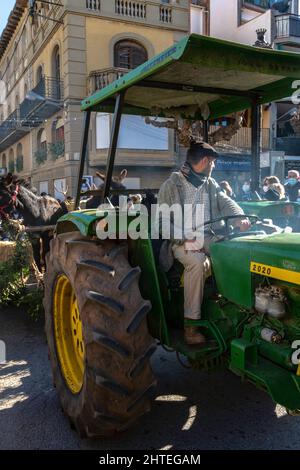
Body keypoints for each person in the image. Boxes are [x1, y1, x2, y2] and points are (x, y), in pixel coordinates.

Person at [157, 141, 250, 346]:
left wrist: (239, 217)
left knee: (238, 252)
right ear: (206, 161)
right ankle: (191, 325)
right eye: (214, 163)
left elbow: (226, 202)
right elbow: (162, 223)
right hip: (181, 239)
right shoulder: (172, 185)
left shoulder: (209, 183)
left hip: (210, 236)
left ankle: (239, 314)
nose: (214, 167)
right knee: (198, 262)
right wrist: (186, 238)